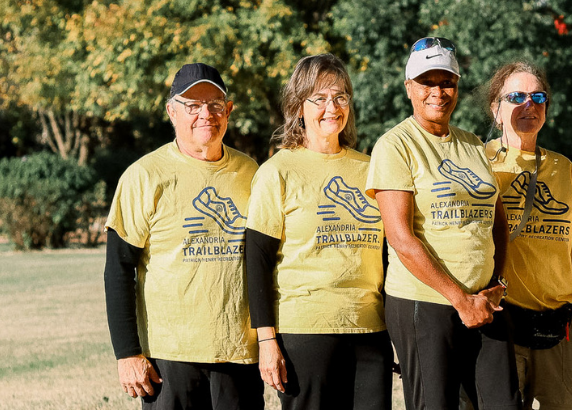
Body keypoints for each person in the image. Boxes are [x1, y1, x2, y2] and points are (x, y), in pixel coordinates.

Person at [364, 37, 519, 410]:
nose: (438, 91)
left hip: (484, 300)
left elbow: (497, 218)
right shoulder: (395, 145)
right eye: (426, 82)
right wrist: (459, 299)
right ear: (409, 88)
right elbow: (401, 238)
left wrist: (496, 281)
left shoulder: (471, 144)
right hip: (426, 303)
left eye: (446, 81)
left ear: (457, 85)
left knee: (504, 402)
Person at [103, 63, 262, 409]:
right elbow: (118, 270)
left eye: (215, 104)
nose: (206, 114)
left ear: (229, 110)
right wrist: (127, 353)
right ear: (171, 112)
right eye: (192, 105)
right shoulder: (144, 176)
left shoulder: (251, 173)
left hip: (238, 352)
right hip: (169, 357)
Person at [243, 54, 392, 410]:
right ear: (298, 106)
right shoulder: (276, 172)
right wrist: (267, 341)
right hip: (305, 333)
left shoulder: (372, 169)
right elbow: (256, 261)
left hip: (370, 330)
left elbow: (389, 253)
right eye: (320, 98)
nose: (332, 107)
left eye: (341, 97)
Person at [479, 61, 572, 410]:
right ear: (495, 110)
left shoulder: (564, 168)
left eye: (538, 96)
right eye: (516, 96)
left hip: (564, 323)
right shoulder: (478, 163)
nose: (529, 105)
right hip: (503, 322)